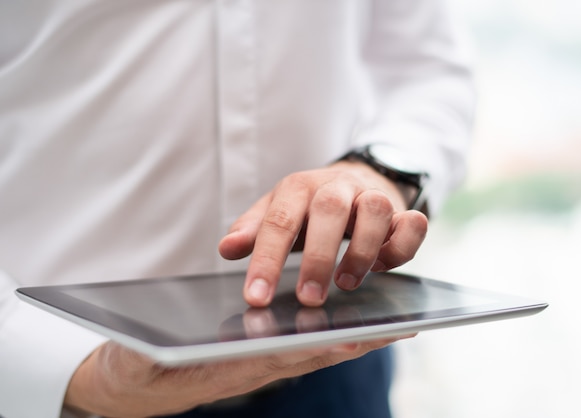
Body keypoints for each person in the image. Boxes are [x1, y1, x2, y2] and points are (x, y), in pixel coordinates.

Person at [0, 1, 474, 417]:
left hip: (334, 366)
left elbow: (427, 72)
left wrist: (381, 171)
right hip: (64, 381)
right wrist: (63, 371)